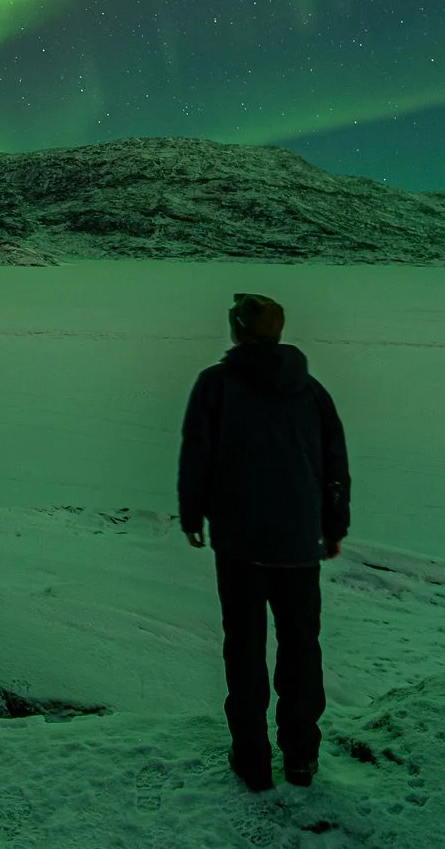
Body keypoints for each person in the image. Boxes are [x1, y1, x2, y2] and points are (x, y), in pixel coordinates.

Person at [177, 292, 350, 792]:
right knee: (301, 647)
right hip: (297, 542)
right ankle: (300, 756)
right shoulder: (311, 390)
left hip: (240, 544)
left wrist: (192, 513)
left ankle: (252, 758)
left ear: (237, 330)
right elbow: (334, 464)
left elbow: (197, 453)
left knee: (245, 648)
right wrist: (333, 525)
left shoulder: (215, 385)